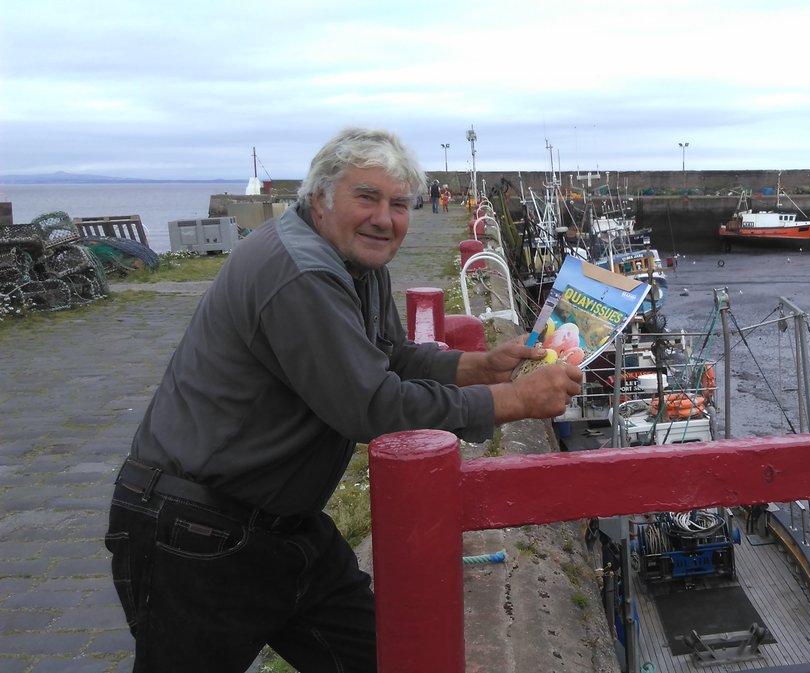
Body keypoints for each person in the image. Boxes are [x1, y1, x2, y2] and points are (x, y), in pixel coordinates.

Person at [105, 127, 582, 672]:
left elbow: (390, 357)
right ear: (319, 199)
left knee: (389, 661)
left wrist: (479, 367)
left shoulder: (357, 262)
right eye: (367, 198)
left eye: (398, 204)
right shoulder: (299, 271)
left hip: (284, 528)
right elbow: (371, 405)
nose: (384, 218)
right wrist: (513, 400)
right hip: (194, 534)